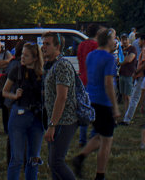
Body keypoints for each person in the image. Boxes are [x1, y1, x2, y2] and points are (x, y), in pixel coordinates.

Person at [73, 28, 120, 179]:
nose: (115, 41)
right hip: (104, 102)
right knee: (107, 140)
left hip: (91, 98)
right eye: (113, 38)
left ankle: (80, 157)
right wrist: (115, 107)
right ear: (107, 40)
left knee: (99, 135)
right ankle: (100, 174)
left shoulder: (91, 56)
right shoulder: (109, 58)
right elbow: (108, 83)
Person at [3, 42, 45, 180]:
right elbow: (5, 91)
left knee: (33, 158)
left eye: (26, 55)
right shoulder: (17, 70)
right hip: (19, 113)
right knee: (17, 158)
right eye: (22, 55)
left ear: (35, 58)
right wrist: (14, 95)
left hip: (37, 116)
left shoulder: (42, 74)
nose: (22, 58)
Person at [42, 32, 81, 180]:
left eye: (48, 44)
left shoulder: (62, 65)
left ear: (57, 46)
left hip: (64, 120)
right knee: (53, 163)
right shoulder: (51, 65)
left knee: (56, 162)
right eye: (43, 43)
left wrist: (53, 124)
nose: (43, 47)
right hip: (55, 119)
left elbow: (62, 96)